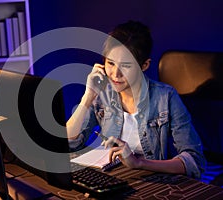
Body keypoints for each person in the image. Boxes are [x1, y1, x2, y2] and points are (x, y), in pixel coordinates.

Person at [66, 20, 205, 179]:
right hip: (114, 178)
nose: (116, 74)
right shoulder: (102, 94)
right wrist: (87, 97)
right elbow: (70, 143)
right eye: (110, 63)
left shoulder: (165, 97)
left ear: (144, 65)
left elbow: (194, 161)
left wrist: (139, 163)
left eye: (126, 66)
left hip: (155, 182)